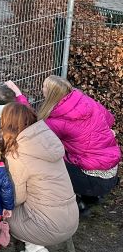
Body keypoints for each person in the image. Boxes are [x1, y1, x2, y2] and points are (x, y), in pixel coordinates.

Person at [0, 102, 79, 252]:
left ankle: (33, 247)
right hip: (70, 220)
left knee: (2, 209)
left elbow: (16, 198)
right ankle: (36, 239)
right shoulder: (46, 138)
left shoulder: (18, 153)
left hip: (48, 228)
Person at [31, 76, 120, 212]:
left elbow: (37, 138)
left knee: (47, 162)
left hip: (93, 179)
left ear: (50, 93)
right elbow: (110, 119)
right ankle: (90, 196)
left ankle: (79, 201)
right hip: (111, 169)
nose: (41, 88)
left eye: (44, 86)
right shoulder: (85, 100)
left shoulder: (55, 121)